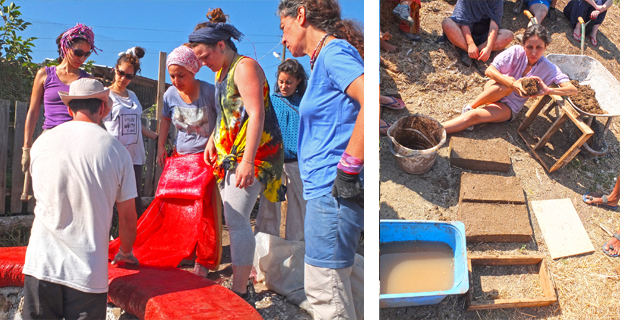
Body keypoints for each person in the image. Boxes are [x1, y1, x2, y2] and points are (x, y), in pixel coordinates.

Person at [188, 8, 285, 307]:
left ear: (221, 45)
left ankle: (242, 290)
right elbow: (227, 114)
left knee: (238, 218)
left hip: (254, 153)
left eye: (205, 57)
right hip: (230, 152)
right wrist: (213, 140)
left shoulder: (245, 67)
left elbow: (256, 113)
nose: (203, 64)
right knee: (234, 217)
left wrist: (247, 161)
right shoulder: (222, 71)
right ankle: (245, 280)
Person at [22, 78, 139, 320]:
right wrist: (125, 252)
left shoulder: (41, 143)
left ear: (69, 109)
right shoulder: (117, 151)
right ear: (103, 109)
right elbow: (128, 219)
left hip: (41, 265)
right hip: (87, 274)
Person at [278, 0, 364, 318]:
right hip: (325, 188)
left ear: (300, 15)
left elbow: (369, 97)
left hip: (333, 188)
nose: (283, 40)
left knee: (323, 288)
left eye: (284, 28)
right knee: (344, 283)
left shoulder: (333, 53)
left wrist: (349, 168)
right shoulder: (322, 61)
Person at [442, 24, 577, 134]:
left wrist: (548, 91)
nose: (534, 52)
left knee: (473, 117)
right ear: (524, 45)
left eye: (539, 47)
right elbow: (490, 70)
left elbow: (572, 90)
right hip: (496, 88)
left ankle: (436, 130)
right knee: (508, 83)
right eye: (529, 47)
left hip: (509, 106)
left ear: (545, 47)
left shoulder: (549, 68)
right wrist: (513, 84)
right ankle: (470, 106)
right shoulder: (516, 52)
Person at [21, 23, 96, 178]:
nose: (82, 58)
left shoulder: (87, 80)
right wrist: (26, 148)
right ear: (65, 47)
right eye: (78, 52)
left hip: (76, 142)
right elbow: (33, 112)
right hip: (50, 139)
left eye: (87, 55)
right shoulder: (45, 74)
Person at [255, 59, 308, 241]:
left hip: (297, 163)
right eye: (281, 81)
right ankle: (265, 251)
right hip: (274, 163)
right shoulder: (270, 101)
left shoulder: (305, 104)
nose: (284, 86)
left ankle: (297, 252)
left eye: (289, 82)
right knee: (269, 207)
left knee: (299, 209)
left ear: (298, 81)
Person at [103, 46, 158, 218]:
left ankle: (136, 239)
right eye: (121, 73)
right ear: (115, 69)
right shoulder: (105, 95)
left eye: (129, 76)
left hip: (134, 156)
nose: (123, 78)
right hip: (114, 156)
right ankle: (108, 237)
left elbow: (136, 125)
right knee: (109, 197)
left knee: (134, 199)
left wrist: (157, 136)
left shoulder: (133, 96)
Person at [157, 45, 217, 168]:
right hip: (180, 156)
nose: (176, 81)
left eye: (181, 75)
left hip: (206, 158)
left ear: (192, 71)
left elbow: (223, 120)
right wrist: (161, 146)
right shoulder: (170, 94)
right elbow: (165, 118)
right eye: (172, 76)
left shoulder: (209, 92)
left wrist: (213, 142)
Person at [441, 0, 514, 67]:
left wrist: (489, 47)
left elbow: (494, 26)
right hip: (464, 34)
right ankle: (467, 51)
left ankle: (478, 54)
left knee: (508, 36)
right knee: (447, 24)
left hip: (484, 34)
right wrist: (470, 44)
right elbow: (463, 21)